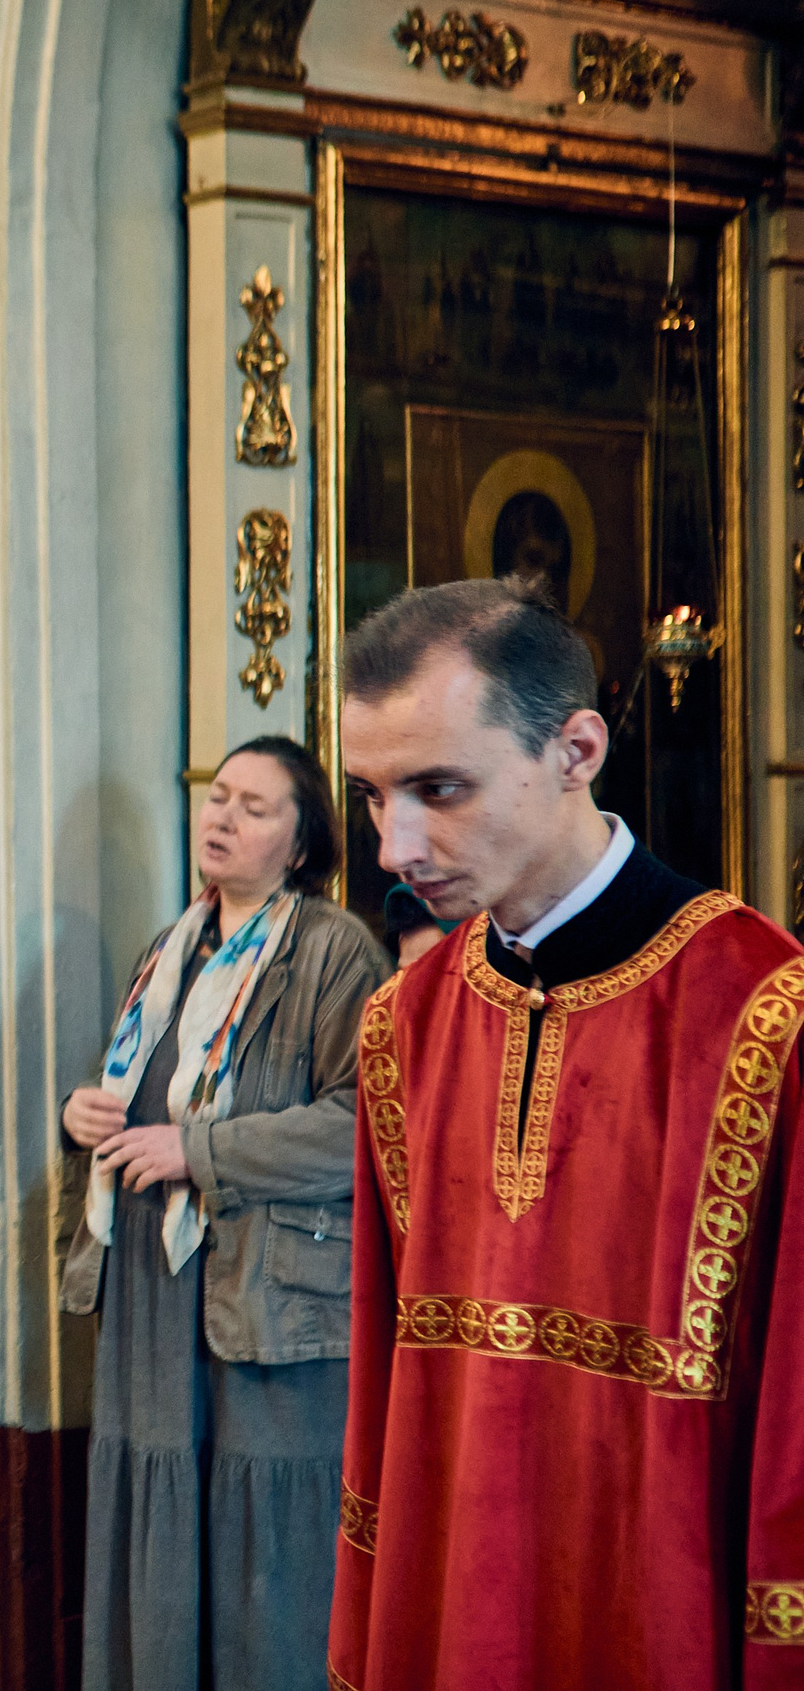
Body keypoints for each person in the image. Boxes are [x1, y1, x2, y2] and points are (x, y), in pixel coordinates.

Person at [329, 577, 804, 1690]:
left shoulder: (765, 1014)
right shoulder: (402, 1025)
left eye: (438, 788)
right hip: (452, 1620)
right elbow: (385, 1401)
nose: (394, 846)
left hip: (661, 1620)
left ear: (575, 750)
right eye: (372, 795)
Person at [61, 736, 385, 1691]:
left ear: (301, 843)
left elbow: (361, 1123)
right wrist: (84, 1118)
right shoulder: (167, 951)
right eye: (219, 797)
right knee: (164, 1544)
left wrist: (196, 1152)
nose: (224, 817)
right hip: (154, 1296)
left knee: (266, 1568)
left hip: (270, 1303)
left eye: (255, 806)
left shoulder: (335, 952)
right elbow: (143, 1096)